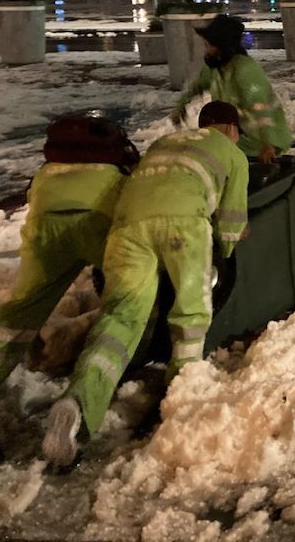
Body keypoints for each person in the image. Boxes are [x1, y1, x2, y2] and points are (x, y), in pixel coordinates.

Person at [42, 101, 249, 466]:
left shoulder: (164, 143)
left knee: (118, 319)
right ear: (232, 130)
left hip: (127, 228)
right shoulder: (231, 153)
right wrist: (231, 238)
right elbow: (231, 228)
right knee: (191, 314)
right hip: (183, 225)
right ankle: (179, 401)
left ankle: (78, 403)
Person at [0, 114, 138, 416]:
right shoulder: (119, 167)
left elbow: (34, 197)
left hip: (46, 228)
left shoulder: (48, 171)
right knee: (127, 302)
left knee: (19, 313)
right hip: (98, 226)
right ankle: (89, 390)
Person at [170, 14, 291, 163]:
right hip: (235, 139)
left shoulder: (245, 70)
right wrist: (181, 108)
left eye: (209, 45)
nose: (205, 49)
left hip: (258, 142)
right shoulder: (215, 68)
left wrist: (268, 145)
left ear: (222, 46)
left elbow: (260, 107)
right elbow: (198, 87)